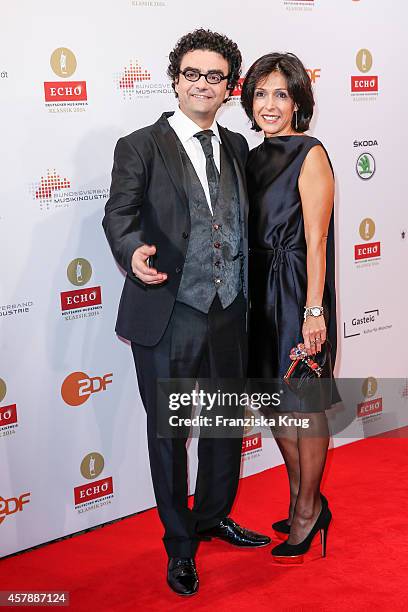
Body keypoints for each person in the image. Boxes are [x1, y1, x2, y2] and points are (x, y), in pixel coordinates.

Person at [103, 29, 270, 597]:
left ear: (230, 87)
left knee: (224, 424)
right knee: (168, 435)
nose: (203, 84)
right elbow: (118, 216)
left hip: (228, 309)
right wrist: (132, 253)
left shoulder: (239, 148)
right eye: (192, 74)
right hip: (168, 309)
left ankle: (213, 515)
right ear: (175, 80)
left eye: (215, 76)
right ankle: (180, 546)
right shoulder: (140, 145)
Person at [241, 52, 337, 563]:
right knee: (276, 403)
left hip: (298, 291)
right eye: (260, 93)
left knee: (305, 404)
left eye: (281, 93)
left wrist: (314, 310)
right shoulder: (252, 157)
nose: (270, 104)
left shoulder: (310, 153)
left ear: (299, 101)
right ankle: (306, 497)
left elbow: (316, 241)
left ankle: (306, 511)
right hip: (259, 291)